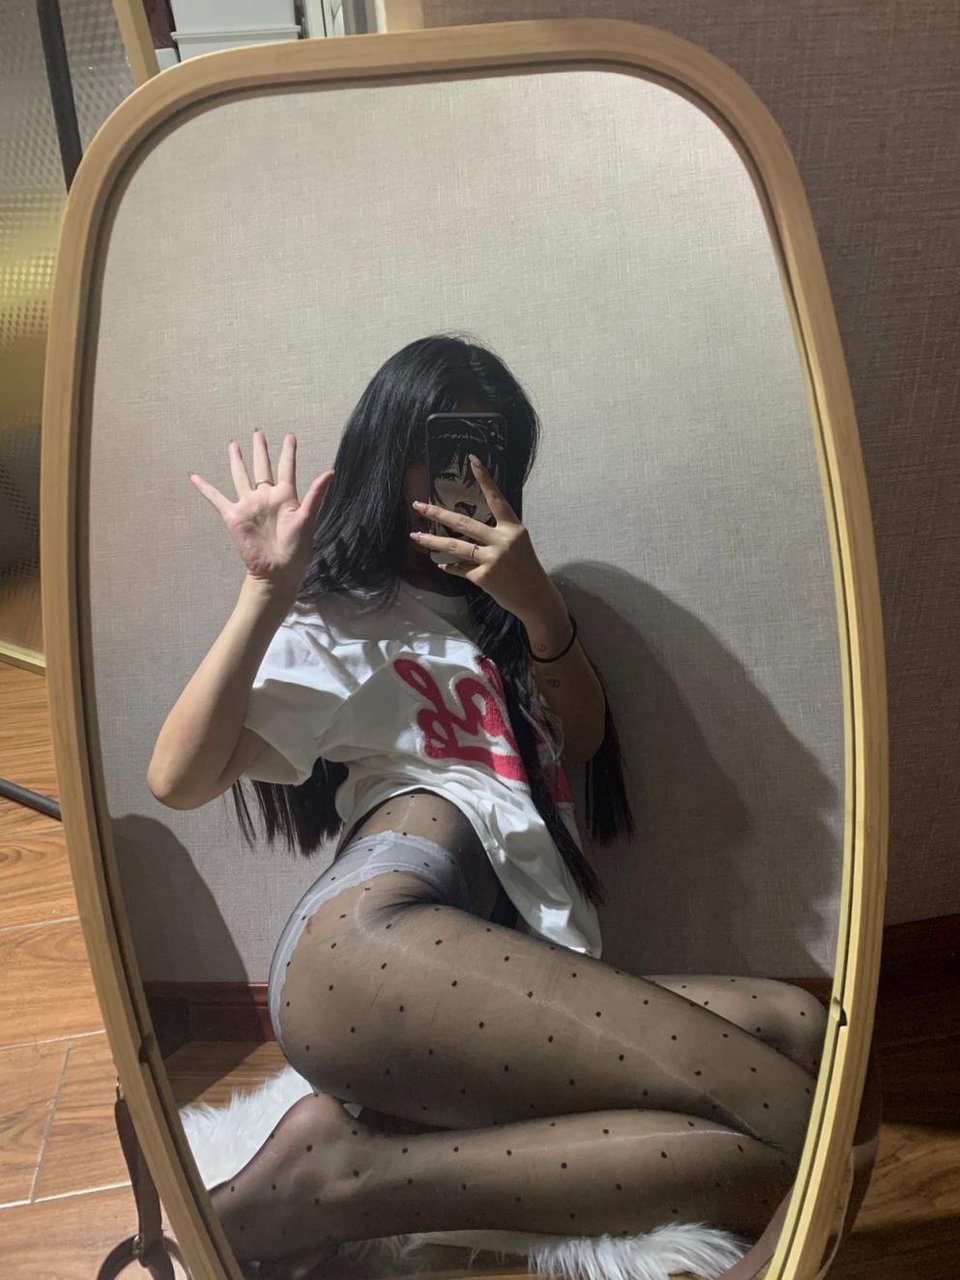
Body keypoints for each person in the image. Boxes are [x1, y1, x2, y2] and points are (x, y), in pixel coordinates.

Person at [148, 335, 832, 1278]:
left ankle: (341, 1178)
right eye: (444, 446)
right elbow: (178, 776)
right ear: (390, 452)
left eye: (493, 449)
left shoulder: (514, 618)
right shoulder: (346, 612)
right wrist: (266, 591)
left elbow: (583, 739)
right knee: (800, 1121)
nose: (470, 473)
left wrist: (539, 606)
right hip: (373, 934)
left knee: (798, 1038)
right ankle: (333, 1182)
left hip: (506, 959)